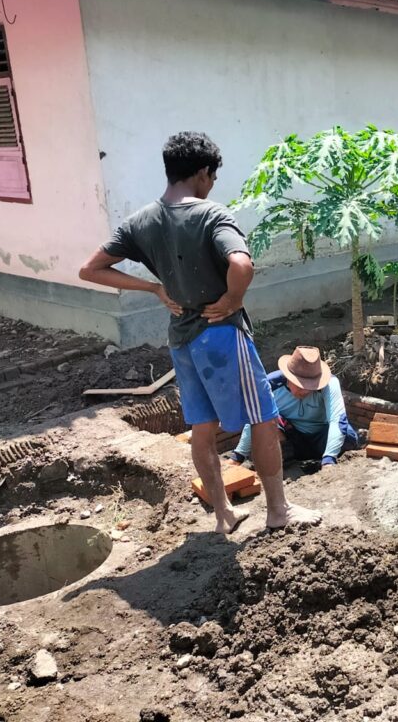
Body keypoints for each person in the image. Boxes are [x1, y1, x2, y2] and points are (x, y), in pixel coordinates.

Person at [79, 131, 321, 534]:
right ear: (203, 173)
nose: (211, 186)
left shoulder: (142, 220)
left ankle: (224, 513)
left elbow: (90, 269)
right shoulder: (210, 215)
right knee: (262, 418)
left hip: (182, 338)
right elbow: (241, 265)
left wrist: (155, 287)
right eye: (212, 178)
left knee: (202, 427)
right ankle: (278, 510)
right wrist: (231, 300)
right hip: (221, 334)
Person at [227, 346, 359, 471]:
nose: (305, 390)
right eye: (300, 385)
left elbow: (337, 420)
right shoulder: (270, 385)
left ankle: (324, 456)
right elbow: (255, 418)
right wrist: (237, 456)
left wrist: (329, 459)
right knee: (266, 421)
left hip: (323, 436)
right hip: (294, 439)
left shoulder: (329, 384)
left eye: (310, 385)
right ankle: (286, 459)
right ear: (288, 378)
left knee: (347, 435)